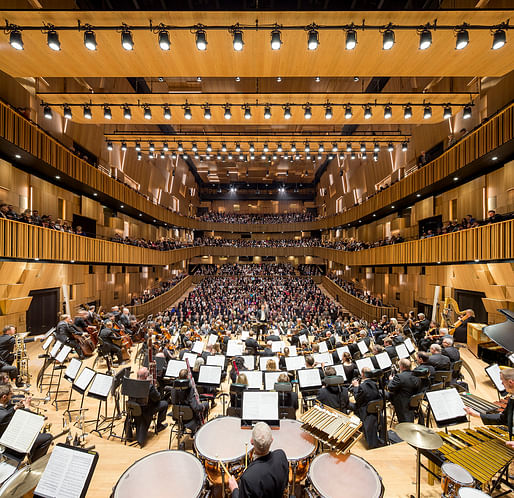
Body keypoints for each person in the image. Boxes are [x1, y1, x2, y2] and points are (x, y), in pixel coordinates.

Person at [228, 422, 289, 498]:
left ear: (252, 441)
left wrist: (234, 489)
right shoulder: (281, 456)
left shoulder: (247, 478)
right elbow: (285, 483)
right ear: (272, 440)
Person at [0, 383, 52, 461]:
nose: (12, 396)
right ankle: (34, 463)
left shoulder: (4, 412)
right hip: (8, 443)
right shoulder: (5, 415)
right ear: (4, 397)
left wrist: (14, 408)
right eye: (11, 394)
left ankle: (31, 451)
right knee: (47, 437)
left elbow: (4, 414)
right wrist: (27, 407)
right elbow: (22, 424)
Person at [465, 368, 514, 445]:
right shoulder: (512, 398)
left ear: (510, 382)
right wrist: (477, 415)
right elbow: (503, 419)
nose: (501, 384)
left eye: (502, 381)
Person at [130, 367, 168, 446]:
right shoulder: (149, 387)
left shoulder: (131, 384)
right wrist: (153, 387)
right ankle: (159, 425)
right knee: (164, 404)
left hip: (133, 410)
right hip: (147, 410)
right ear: (145, 377)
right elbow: (157, 398)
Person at [171, 369, 209, 433]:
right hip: (189, 415)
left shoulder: (174, 387)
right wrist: (202, 407)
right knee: (206, 404)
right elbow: (195, 407)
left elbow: (173, 402)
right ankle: (197, 426)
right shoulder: (190, 389)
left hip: (177, 414)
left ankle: (183, 426)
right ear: (187, 377)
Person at [352, 367, 382, 449]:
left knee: (350, 405)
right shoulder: (375, 383)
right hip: (374, 408)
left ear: (362, 374)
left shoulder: (362, 386)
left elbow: (357, 399)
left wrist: (355, 387)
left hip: (365, 409)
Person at [387, 359, 422, 423]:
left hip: (402, 402)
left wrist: (391, 380)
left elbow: (390, 388)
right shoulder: (416, 374)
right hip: (414, 399)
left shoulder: (399, 377)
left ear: (401, 367)